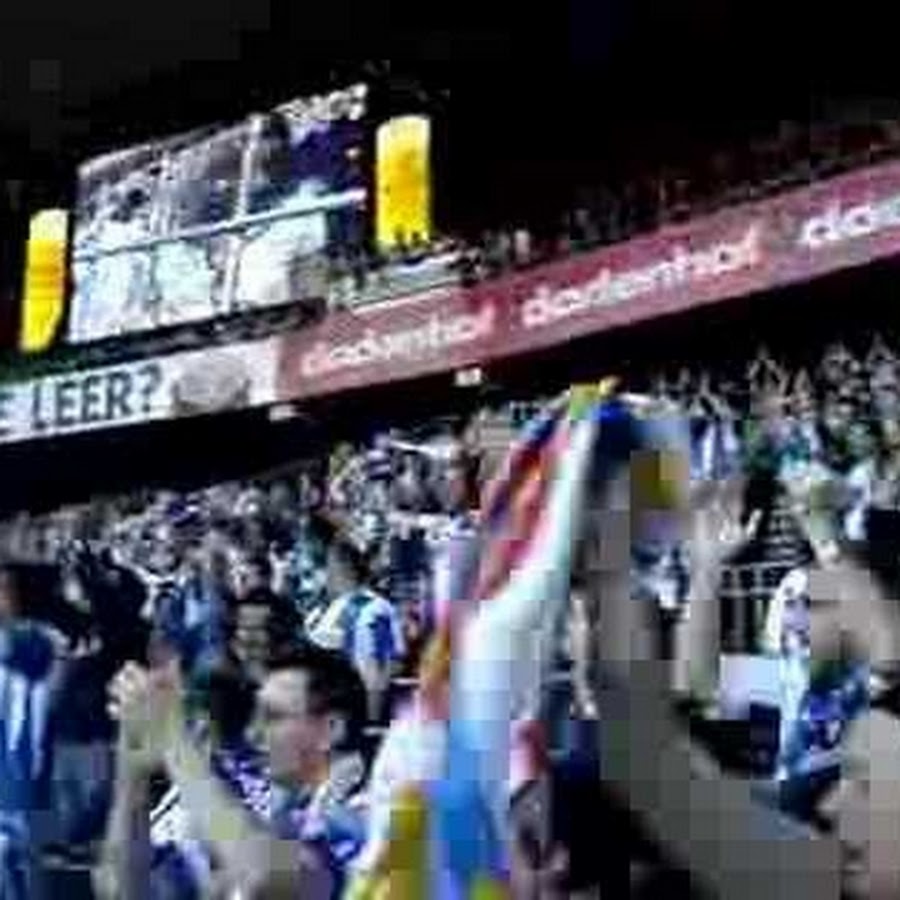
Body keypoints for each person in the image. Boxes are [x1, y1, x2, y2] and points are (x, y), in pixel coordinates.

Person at [98, 642, 369, 899]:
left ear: (331, 729)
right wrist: (132, 768)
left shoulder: (369, 813)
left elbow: (262, 880)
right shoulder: (271, 817)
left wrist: (172, 735)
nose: (252, 735)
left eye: (273, 717)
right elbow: (121, 892)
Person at [307, 521, 404, 722]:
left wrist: (372, 723)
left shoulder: (372, 608)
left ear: (345, 568)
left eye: (328, 566)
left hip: (350, 716)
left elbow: (378, 675)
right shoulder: (321, 609)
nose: (324, 574)